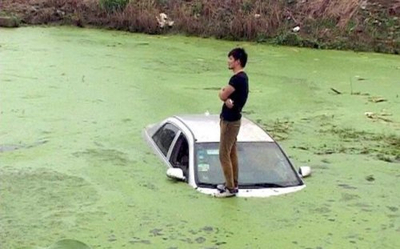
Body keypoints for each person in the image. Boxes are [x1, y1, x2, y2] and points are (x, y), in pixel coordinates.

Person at [215, 48, 249, 198]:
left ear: (237, 61)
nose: (228, 61)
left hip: (230, 121)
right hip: (234, 118)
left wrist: (222, 92)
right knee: (232, 152)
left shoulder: (237, 79)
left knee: (223, 154)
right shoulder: (244, 78)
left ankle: (230, 188)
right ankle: (233, 183)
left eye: (230, 59)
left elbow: (223, 94)